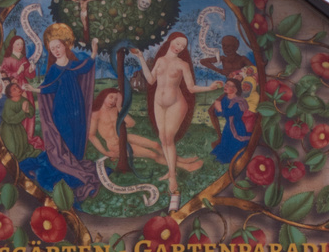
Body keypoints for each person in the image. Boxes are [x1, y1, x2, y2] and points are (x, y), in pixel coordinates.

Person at [130, 33, 221, 210]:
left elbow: (191, 87)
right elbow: (150, 80)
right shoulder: (160, 61)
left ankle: (172, 176)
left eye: (182, 46)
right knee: (163, 138)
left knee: (169, 138)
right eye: (177, 43)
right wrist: (141, 57)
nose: (178, 47)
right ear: (170, 41)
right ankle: (171, 169)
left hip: (176, 104)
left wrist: (209, 88)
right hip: (158, 103)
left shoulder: (183, 64)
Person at [22, 23, 102, 202]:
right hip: (61, 110)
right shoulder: (53, 70)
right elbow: (47, 88)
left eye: (58, 46)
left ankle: (74, 160)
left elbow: (87, 66)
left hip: (78, 108)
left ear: (65, 45)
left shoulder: (74, 64)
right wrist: (31, 89)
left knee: (76, 135)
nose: (56, 50)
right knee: (65, 136)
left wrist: (94, 51)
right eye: (52, 48)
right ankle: (66, 165)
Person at [88, 88, 202, 173]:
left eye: (116, 99)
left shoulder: (116, 109)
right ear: (103, 97)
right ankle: (185, 167)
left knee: (156, 145)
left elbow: (132, 123)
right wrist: (105, 152)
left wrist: (119, 108)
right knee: (152, 154)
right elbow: (92, 136)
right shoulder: (96, 114)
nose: (113, 101)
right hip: (114, 145)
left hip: (126, 136)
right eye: (111, 97)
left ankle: (182, 160)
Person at [209, 76, 252, 164]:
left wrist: (219, 108)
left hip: (237, 128)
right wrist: (219, 109)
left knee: (232, 150)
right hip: (228, 127)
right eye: (227, 84)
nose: (226, 86)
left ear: (236, 89)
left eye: (230, 85)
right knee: (223, 145)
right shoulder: (225, 99)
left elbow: (228, 113)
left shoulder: (240, 102)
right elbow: (219, 114)